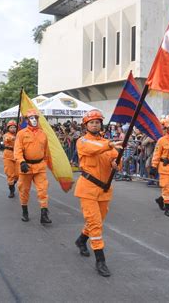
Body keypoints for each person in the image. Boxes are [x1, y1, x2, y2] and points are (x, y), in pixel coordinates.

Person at [74, 110, 120, 277]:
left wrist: (116, 163)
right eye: (91, 122)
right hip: (87, 188)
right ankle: (100, 260)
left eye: (97, 122)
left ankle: (81, 240)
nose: (95, 125)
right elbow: (93, 149)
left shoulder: (107, 143)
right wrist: (110, 146)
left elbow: (114, 159)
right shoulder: (83, 141)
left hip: (104, 189)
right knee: (95, 224)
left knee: (97, 221)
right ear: (86, 125)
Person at [14, 109, 52, 224]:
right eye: (31, 118)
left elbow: (46, 151)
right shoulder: (21, 134)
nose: (34, 120)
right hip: (26, 166)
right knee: (24, 190)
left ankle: (44, 214)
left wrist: (45, 162)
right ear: (27, 120)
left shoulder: (43, 133)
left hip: (40, 166)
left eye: (35, 118)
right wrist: (21, 162)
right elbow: (18, 150)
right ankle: (25, 211)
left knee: (43, 190)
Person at [3, 120, 19, 198]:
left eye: (14, 127)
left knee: (18, 174)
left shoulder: (18, 135)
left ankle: (12, 184)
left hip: (16, 154)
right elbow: (8, 139)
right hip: (8, 155)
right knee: (10, 174)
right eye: (11, 127)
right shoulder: (6, 135)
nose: (13, 129)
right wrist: (13, 138)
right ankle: (11, 191)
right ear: (8, 128)